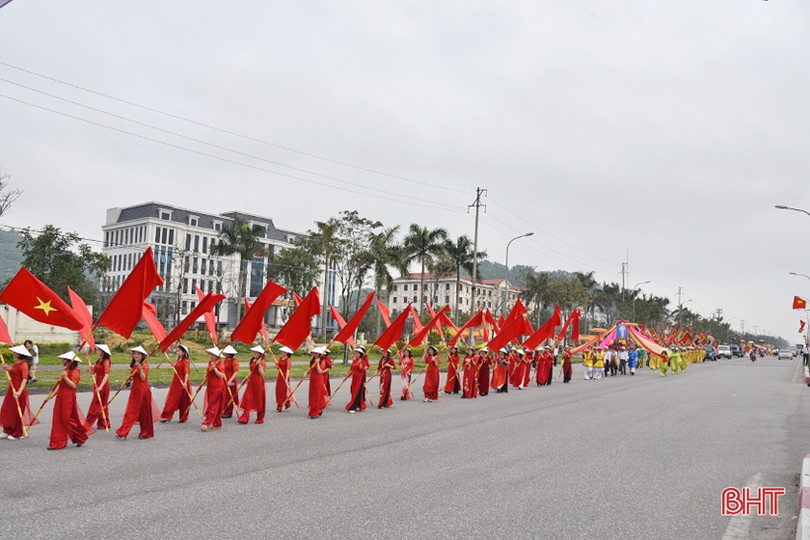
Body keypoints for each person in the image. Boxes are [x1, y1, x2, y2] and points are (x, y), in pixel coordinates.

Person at [49, 352, 93, 450]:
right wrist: (52, 395)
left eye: (64, 359)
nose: (63, 361)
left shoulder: (75, 371)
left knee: (66, 418)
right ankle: (58, 441)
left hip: (68, 397)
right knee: (58, 418)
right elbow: (60, 384)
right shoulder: (65, 370)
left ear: (70, 361)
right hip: (60, 396)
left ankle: (79, 436)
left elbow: (73, 385)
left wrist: (65, 377)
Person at [115, 346, 158, 440]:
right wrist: (128, 381)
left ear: (143, 355)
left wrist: (141, 369)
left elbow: (143, 378)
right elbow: (133, 376)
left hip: (143, 391)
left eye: (138, 354)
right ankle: (123, 432)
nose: (136, 355)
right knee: (130, 412)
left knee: (143, 413)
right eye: (134, 353)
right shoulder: (134, 364)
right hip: (135, 391)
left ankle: (145, 432)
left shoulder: (144, 365)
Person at [1, 345, 36, 440]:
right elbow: (13, 374)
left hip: (19, 390)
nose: (13, 353)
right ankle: (7, 430)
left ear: (20, 354)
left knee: (17, 411)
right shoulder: (16, 363)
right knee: (7, 409)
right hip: (11, 389)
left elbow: (24, 379)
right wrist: (6, 369)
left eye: (15, 352)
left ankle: (17, 433)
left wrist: (19, 392)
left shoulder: (24, 365)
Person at [159, 344, 191, 423]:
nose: (177, 352)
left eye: (179, 351)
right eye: (177, 351)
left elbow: (187, 372)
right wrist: (172, 363)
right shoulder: (178, 360)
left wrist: (185, 382)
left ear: (184, 352)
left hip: (183, 382)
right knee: (171, 399)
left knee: (183, 401)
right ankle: (167, 416)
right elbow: (177, 369)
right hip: (176, 382)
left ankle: (183, 418)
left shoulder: (186, 361)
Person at [85, 343, 112, 430]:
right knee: (99, 403)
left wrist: (101, 386)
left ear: (103, 352)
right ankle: (103, 423)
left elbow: (106, 375)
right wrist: (89, 362)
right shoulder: (98, 361)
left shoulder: (106, 361)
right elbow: (93, 372)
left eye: (98, 350)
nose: (97, 351)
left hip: (103, 385)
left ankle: (88, 423)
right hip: (97, 383)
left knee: (97, 404)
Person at [238, 345, 267, 424]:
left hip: (258, 383)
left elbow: (262, 373)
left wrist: (259, 365)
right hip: (251, 382)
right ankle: (244, 418)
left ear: (260, 353)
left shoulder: (262, 362)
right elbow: (251, 371)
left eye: (255, 352)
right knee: (247, 399)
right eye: (253, 351)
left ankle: (260, 418)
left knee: (259, 400)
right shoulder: (252, 360)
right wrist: (246, 378)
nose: (253, 353)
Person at [201, 347, 226, 431]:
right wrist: (205, 377)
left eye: (212, 355)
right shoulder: (210, 362)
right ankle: (217, 423)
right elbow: (208, 372)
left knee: (213, 406)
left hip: (218, 387)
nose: (210, 356)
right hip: (210, 386)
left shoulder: (220, 364)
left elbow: (221, 376)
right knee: (213, 405)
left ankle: (206, 423)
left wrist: (215, 368)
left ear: (217, 356)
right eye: (210, 354)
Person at [346, 346, 370, 413]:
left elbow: (362, 369)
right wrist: (348, 375)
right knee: (353, 390)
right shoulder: (354, 360)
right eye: (355, 353)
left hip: (360, 378)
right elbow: (351, 369)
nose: (355, 354)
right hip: (354, 378)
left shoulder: (363, 360)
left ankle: (353, 406)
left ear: (360, 354)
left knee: (357, 392)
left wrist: (360, 364)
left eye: (357, 353)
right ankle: (359, 405)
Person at [221, 345, 240, 418]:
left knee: (229, 397)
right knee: (224, 396)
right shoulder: (225, 359)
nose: (226, 354)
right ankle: (223, 410)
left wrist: (230, 380)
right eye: (226, 353)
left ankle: (229, 412)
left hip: (231, 381)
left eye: (228, 353)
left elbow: (236, 372)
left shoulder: (234, 361)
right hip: (224, 379)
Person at [308, 347, 326, 419]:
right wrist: (308, 372)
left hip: (319, 380)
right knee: (312, 395)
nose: (314, 354)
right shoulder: (313, 360)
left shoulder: (322, 361)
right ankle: (318, 409)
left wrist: (318, 363)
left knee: (317, 395)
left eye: (316, 353)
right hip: (312, 379)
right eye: (313, 353)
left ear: (319, 354)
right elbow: (312, 369)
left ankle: (315, 412)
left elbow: (320, 371)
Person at [275, 346, 294, 413]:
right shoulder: (280, 358)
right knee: (278, 390)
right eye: (282, 351)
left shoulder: (288, 359)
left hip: (285, 376)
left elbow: (288, 369)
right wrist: (276, 364)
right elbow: (278, 368)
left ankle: (279, 406)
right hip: (280, 376)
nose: (282, 352)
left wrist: (286, 378)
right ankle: (287, 403)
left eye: (283, 352)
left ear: (287, 353)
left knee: (282, 391)